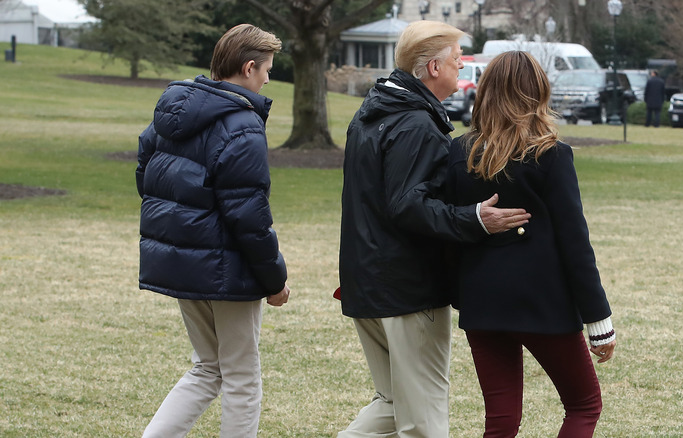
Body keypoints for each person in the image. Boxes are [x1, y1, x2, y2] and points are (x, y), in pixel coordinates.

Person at [338, 21, 531, 438]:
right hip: (406, 290)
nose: (462, 63)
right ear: (431, 69)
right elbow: (408, 206)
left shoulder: (374, 115)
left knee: (393, 404)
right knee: (423, 419)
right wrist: (476, 219)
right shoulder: (415, 125)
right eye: (455, 57)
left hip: (368, 283)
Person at [446, 51, 617, 438]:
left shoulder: (459, 152)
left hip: (481, 300)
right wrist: (599, 320)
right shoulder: (551, 154)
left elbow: (450, 231)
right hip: (543, 301)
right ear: (537, 92)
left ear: (486, 92)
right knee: (584, 406)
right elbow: (576, 242)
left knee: (501, 420)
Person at [135, 24, 290, 438]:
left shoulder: (170, 110)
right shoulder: (242, 123)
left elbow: (146, 177)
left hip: (181, 261)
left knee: (208, 366)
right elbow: (249, 215)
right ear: (249, 66)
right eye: (268, 70)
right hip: (225, 267)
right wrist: (275, 279)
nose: (268, 79)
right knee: (241, 376)